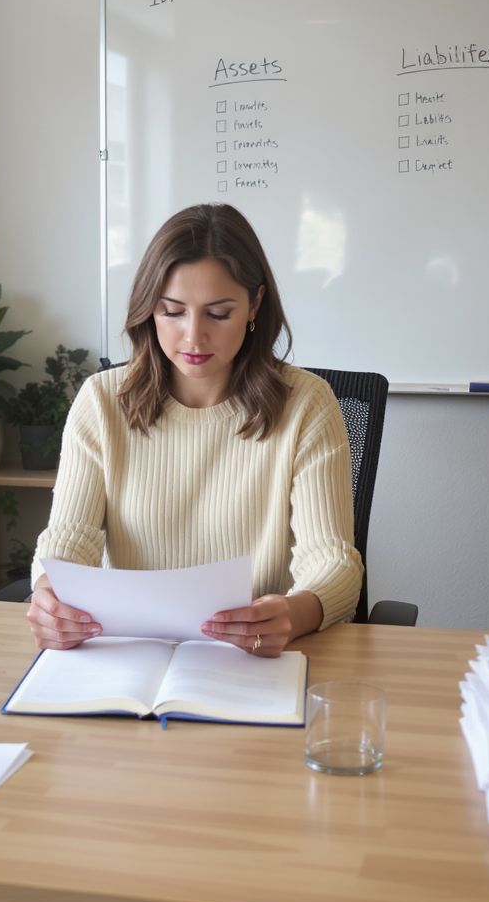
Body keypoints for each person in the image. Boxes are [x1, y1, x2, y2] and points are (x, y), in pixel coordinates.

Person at [27, 203, 362, 657]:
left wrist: (295, 613)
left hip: (253, 658)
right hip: (128, 657)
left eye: (218, 314)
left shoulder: (307, 403)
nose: (193, 338)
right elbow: (69, 541)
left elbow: (332, 560)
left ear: (254, 305)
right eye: (172, 312)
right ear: (150, 309)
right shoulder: (102, 401)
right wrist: (50, 596)